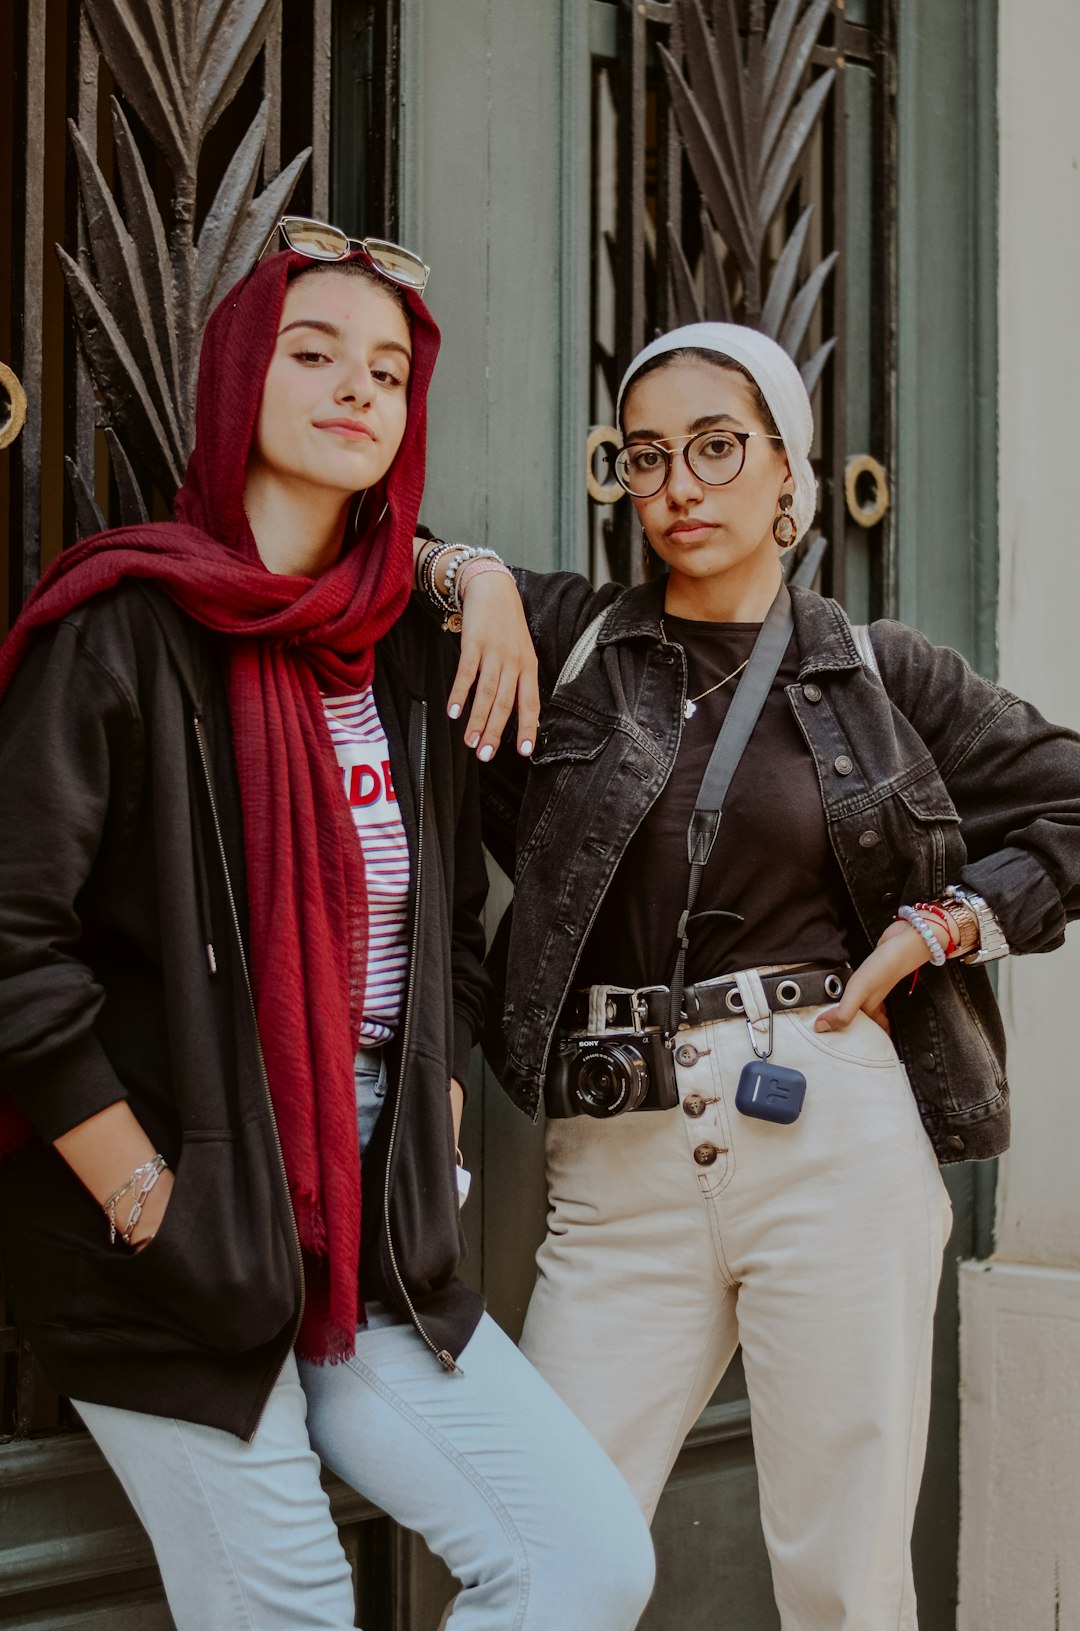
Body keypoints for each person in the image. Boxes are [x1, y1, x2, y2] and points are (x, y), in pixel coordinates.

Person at [0, 224, 655, 1631]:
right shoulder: (118, 629)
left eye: (387, 373)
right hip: (166, 1232)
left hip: (368, 1226)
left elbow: (453, 941)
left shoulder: (409, 643)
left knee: (587, 1560)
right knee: (289, 1606)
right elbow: (13, 947)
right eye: (313, 355)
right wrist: (143, 1203)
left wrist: (431, 1127)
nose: (357, 390)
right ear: (241, 379)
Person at [416, 321, 1080, 1630]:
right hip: (617, 1167)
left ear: (793, 473)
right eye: (645, 455)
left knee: (840, 1575)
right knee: (543, 1550)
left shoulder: (883, 675)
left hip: (834, 1132)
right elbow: (357, 556)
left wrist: (944, 925)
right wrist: (467, 573)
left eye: (720, 446)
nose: (680, 484)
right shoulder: (565, 641)